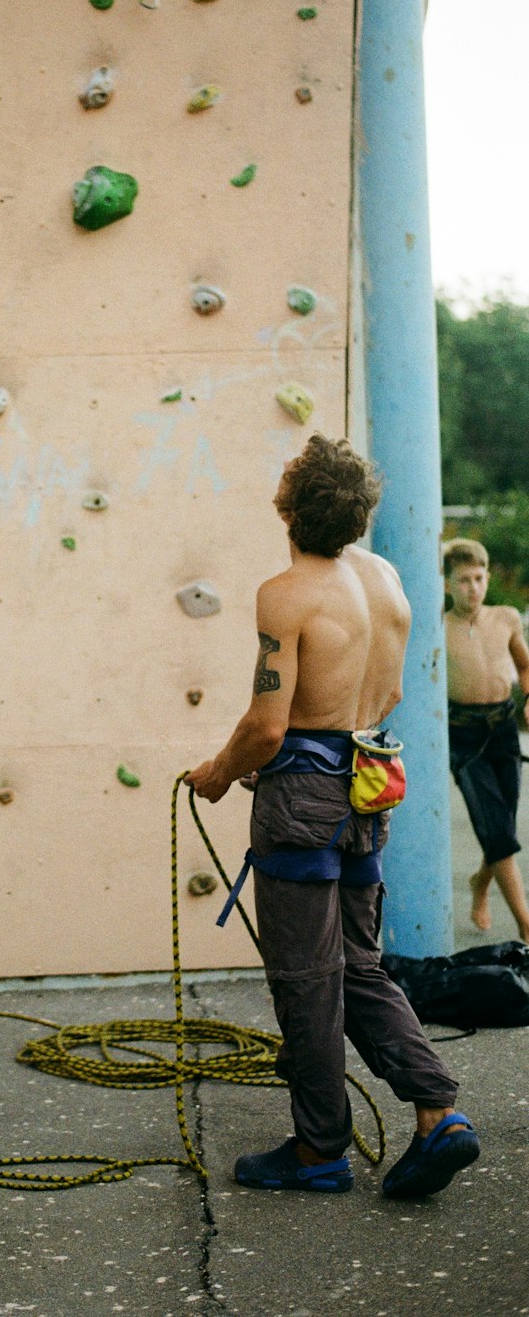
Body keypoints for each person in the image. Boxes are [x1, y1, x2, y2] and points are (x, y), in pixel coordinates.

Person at [185, 434, 479, 1198]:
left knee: (308, 980)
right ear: (359, 510)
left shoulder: (285, 594)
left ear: (288, 505)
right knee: (360, 964)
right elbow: (391, 698)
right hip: (368, 789)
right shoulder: (385, 581)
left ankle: (319, 1150)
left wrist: (218, 774)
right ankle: (437, 1109)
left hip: (302, 799)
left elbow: (267, 725)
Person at [443, 538, 529, 942]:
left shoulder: (506, 617)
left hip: (503, 729)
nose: (472, 588)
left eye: (478, 578)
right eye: (462, 580)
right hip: (462, 735)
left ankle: (482, 881)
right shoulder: (438, 626)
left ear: (488, 578)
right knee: (495, 830)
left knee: (503, 826)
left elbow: (525, 667)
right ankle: (527, 925)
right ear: (446, 584)